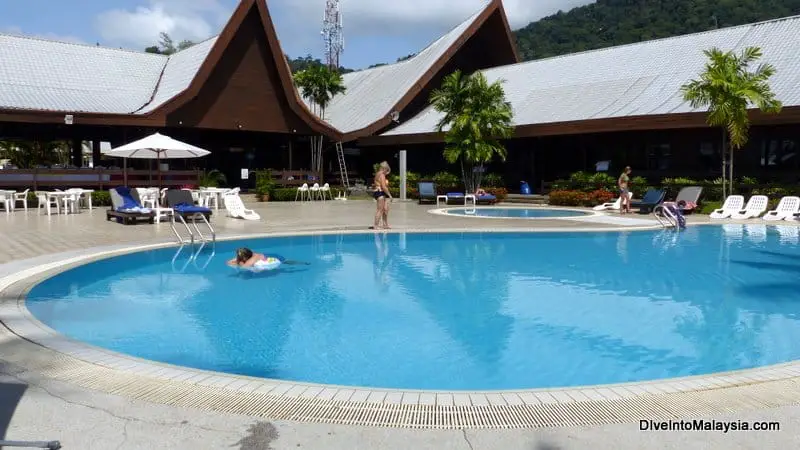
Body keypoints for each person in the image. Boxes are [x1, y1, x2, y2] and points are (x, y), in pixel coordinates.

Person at [227, 247, 308, 268]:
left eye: (239, 257)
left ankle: (302, 263)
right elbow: (228, 262)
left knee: (286, 262)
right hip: (269, 256)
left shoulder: (253, 258)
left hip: (276, 258)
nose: (237, 257)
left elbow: (244, 267)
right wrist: (238, 260)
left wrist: (238, 262)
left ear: (245, 257)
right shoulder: (250, 255)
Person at [371, 161, 393, 229]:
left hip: (380, 192)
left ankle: (385, 224)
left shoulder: (378, 174)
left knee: (385, 209)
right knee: (380, 210)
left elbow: (376, 184)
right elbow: (383, 187)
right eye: (387, 171)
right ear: (385, 168)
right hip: (380, 192)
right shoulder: (381, 175)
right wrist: (390, 195)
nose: (386, 173)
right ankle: (376, 225)